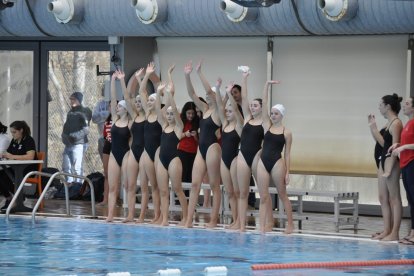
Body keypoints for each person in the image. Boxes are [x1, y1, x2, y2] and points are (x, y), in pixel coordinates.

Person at [184, 61, 222, 228]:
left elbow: (208, 90)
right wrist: (187, 75)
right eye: (207, 96)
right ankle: (188, 220)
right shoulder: (205, 110)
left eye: (210, 95)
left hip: (213, 148)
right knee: (194, 184)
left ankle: (213, 220)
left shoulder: (219, 112)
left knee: (214, 185)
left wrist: (199, 73)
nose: (207, 96)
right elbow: (192, 94)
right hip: (202, 149)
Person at [256, 80, 294, 234]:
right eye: (272, 113)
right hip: (262, 162)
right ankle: (263, 226)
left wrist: (287, 172)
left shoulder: (287, 132)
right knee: (264, 196)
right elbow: (264, 102)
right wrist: (266, 84)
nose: (272, 116)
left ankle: (290, 224)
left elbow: (288, 153)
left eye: (276, 113)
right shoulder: (267, 126)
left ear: (282, 115)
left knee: (282, 194)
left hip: (277, 162)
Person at [368, 93, 403, 241]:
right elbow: (383, 145)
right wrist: (373, 128)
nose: (379, 107)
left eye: (381, 105)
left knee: (394, 198)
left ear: (388, 106)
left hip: (390, 163)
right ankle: (387, 230)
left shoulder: (396, 123)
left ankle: (395, 232)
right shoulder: (388, 123)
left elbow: (391, 148)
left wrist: (389, 168)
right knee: (383, 198)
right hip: (383, 162)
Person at [155, 69, 188, 226]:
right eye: (166, 114)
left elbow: (173, 109)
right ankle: (165, 219)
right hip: (161, 160)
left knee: (177, 189)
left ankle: (186, 218)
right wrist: (158, 91)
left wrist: (170, 95)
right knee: (163, 191)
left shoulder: (178, 127)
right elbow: (157, 110)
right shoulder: (163, 126)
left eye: (171, 114)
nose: (168, 115)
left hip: (174, 159)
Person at [214, 78, 243, 229]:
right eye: (227, 111)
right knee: (230, 192)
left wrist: (230, 95)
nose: (228, 112)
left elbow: (237, 110)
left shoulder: (238, 126)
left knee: (237, 192)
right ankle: (235, 220)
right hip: (223, 161)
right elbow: (220, 106)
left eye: (230, 111)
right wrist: (219, 90)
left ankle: (239, 221)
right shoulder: (224, 124)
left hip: (234, 160)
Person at [237, 70, 264, 232]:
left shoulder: (265, 122)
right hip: (242, 154)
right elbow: (244, 98)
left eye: (256, 106)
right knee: (242, 192)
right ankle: (241, 225)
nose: (252, 107)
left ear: (262, 108)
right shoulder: (247, 118)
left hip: (256, 156)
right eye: (252, 106)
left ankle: (266, 223)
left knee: (263, 193)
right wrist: (244, 79)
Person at [106, 70, 132, 222]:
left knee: (128, 186)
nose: (116, 108)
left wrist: (122, 81)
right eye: (117, 107)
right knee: (113, 186)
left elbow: (126, 99)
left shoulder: (130, 122)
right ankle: (110, 214)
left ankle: (129, 215)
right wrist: (112, 81)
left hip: (126, 154)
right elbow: (114, 98)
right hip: (114, 154)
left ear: (126, 109)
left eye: (120, 107)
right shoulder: (115, 119)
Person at [388, 96, 414, 244]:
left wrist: (403, 147)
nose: (404, 105)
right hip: (406, 164)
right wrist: (398, 144)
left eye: (408, 103)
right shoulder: (408, 124)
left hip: (412, 163)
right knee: (411, 200)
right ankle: (412, 232)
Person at [139, 62, 163, 224]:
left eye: (152, 100)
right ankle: (155, 215)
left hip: (159, 152)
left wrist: (159, 93)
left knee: (160, 186)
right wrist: (147, 74)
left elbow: (160, 98)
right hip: (147, 151)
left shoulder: (161, 115)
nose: (148, 102)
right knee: (152, 185)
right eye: (148, 100)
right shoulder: (147, 114)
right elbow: (141, 91)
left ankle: (161, 214)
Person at [0, 121, 36, 212]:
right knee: (1, 175)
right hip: (15, 168)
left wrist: (12, 157)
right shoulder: (14, 140)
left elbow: (30, 156)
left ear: (21, 130)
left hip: (27, 169)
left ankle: (18, 199)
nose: (12, 134)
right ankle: (13, 199)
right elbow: (8, 153)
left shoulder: (28, 140)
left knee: (6, 177)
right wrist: (4, 155)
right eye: (11, 132)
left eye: (14, 132)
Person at [61, 91, 92, 183]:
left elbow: (85, 130)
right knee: (66, 167)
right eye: (70, 99)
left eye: (73, 99)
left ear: (79, 100)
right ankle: (69, 187)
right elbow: (66, 127)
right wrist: (64, 136)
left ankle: (78, 188)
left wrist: (73, 136)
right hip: (68, 144)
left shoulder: (85, 111)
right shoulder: (70, 112)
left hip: (78, 144)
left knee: (77, 168)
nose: (71, 101)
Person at [178, 101, 199, 185]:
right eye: (188, 113)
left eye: (193, 113)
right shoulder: (180, 119)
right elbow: (176, 136)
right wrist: (185, 134)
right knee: (181, 175)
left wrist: (195, 136)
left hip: (193, 153)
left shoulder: (197, 122)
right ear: (185, 112)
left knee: (189, 177)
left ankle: (187, 197)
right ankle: (178, 196)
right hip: (182, 151)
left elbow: (199, 141)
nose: (191, 115)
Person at [97, 113, 112, 206]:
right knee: (106, 174)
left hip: (117, 147)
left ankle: (114, 199)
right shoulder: (107, 120)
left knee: (115, 176)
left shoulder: (122, 120)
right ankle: (105, 199)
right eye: (110, 106)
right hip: (107, 146)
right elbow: (104, 135)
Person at [91, 87, 110, 161]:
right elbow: (94, 118)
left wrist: (101, 116)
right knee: (104, 162)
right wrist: (106, 114)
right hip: (102, 137)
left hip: (113, 137)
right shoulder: (99, 104)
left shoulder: (116, 102)